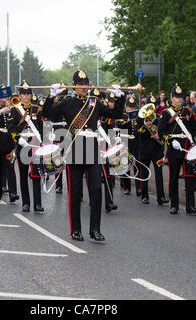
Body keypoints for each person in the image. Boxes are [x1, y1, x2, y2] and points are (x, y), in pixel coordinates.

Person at [42, 69, 124, 242]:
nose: (82, 87)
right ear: (73, 85)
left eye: (85, 84)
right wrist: (51, 96)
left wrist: (119, 97)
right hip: (74, 151)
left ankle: (95, 230)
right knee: (75, 192)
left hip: (92, 151)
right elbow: (46, 114)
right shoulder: (67, 102)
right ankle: (76, 230)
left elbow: (116, 114)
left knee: (96, 190)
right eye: (79, 84)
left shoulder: (94, 103)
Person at [158, 84, 196, 215]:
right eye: (176, 97)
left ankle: (190, 206)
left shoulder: (188, 112)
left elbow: (194, 129)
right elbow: (161, 133)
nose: (178, 99)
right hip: (174, 148)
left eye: (180, 97)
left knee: (190, 177)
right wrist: (171, 141)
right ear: (171, 98)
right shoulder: (165, 113)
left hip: (187, 147)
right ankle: (174, 204)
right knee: (173, 177)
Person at [9, 81, 44, 213]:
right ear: (19, 95)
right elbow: (11, 128)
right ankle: (26, 203)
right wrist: (18, 139)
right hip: (22, 145)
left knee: (36, 175)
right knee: (23, 175)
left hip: (35, 144)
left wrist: (44, 141)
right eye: (23, 94)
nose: (26, 96)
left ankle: (38, 204)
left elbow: (41, 127)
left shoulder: (37, 109)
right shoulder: (15, 110)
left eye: (28, 94)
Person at [135, 99, 169, 205]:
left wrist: (158, 134)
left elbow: (164, 130)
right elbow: (136, 133)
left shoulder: (159, 118)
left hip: (156, 150)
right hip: (144, 150)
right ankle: (144, 196)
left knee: (159, 174)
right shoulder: (140, 118)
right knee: (144, 174)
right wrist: (145, 127)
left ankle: (161, 197)